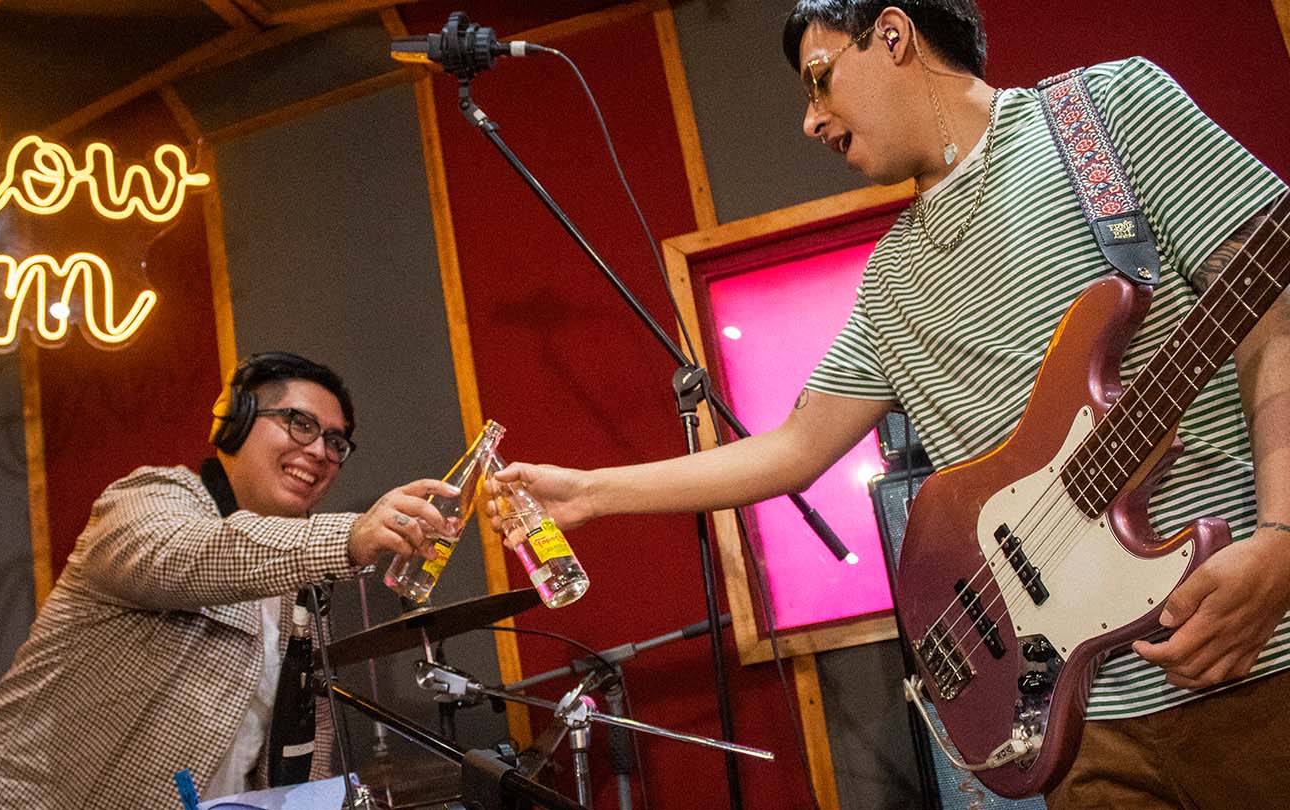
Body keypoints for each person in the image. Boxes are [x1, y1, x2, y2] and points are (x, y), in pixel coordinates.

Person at [492, 2, 1290, 807]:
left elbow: (1272, 314)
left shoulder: (1107, 112)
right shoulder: (889, 279)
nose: (809, 121)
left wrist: (1283, 542)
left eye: (818, 80)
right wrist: (591, 492)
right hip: (1075, 727)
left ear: (894, 35)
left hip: (1257, 665)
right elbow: (795, 447)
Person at [0, 352, 454, 809]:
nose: (320, 451)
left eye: (335, 441)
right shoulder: (150, 497)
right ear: (236, 423)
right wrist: (349, 537)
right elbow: (192, 554)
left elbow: (303, 728)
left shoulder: (305, 576)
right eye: (300, 424)